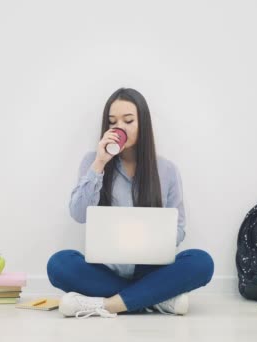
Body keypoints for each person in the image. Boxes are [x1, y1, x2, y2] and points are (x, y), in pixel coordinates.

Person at [47, 88, 214, 318]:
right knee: (59, 264)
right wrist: (99, 163)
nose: (119, 127)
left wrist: (150, 237)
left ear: (142, 123)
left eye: (128, 120)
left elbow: (179, 229)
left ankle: (107, 305)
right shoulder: (92, 162)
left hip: (151, 270)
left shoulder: (167, 170)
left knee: (201, 262)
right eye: (112, 122)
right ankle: (156, 300)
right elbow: (78, 214)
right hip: (106, 268)